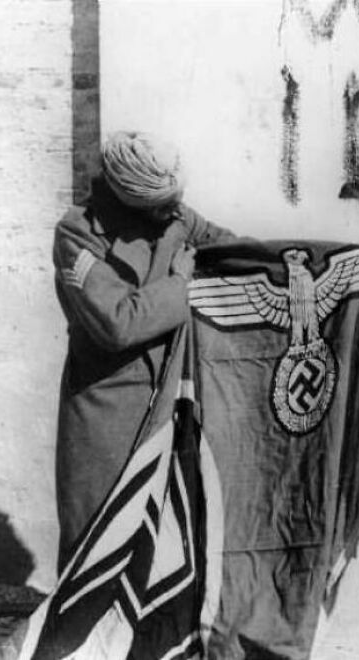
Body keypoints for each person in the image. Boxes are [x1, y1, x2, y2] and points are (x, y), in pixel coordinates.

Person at [52, 131, 233, 572]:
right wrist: (182, 285)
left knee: (164, 537)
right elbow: (118, 322)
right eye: (162, 203)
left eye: (177, 198)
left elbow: (236, 251)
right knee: (97, 535)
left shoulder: (175, 216)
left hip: (171, 399)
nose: (175, 209)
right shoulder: (78, 235)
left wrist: (325, 266)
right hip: (106, 408)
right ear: (128, 197)